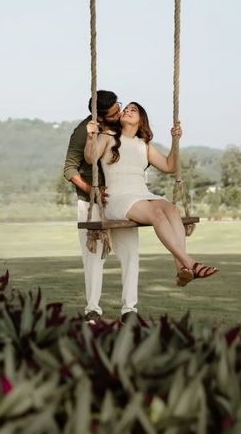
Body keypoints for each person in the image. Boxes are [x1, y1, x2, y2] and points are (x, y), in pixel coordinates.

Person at [85, 102, 219, 287]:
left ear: (141, 121)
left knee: (171, 209)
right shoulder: (107, 137)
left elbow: (169, 167)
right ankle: (190, 263)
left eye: (134, 110)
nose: (127, 111)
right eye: (126, 109)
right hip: (118, 197)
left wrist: (175, 141)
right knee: (156, 214)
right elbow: (90, 158)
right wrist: (91, 136)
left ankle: (182, 270)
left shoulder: (144, 144)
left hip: (141, 194)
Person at [63, 91, 139, 324]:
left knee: (129, 253)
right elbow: (69, 169)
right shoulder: (83, 132)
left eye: (120, 108)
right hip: (91, 202)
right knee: (94, 257)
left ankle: (129, 310)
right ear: (100, 116)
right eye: (114, 113)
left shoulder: (121, 127)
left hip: (121, 200)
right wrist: (92, 190)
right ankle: (93, 309)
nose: (119, 114)